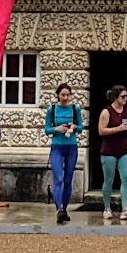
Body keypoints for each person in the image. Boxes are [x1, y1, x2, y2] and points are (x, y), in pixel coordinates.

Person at [97, 84, 127, 221]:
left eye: (126, 96)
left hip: (124, 149)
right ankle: (107, 207)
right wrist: (118, 129)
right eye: (123, 96)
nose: (125, 99)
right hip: (109, 150)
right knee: (108, 179)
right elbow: (101, 131)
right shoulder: (107, 112)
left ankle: (125, 208)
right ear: (116, 97)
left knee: (126, 178)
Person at [43, 83, 82, 225]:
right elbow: (47, 129)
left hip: (71, 146)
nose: (65, 98)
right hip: (57, 147)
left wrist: (74, 128)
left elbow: (81, 128)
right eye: (63, 95)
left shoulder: (75, 109)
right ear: (58, 95)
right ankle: (59, 209)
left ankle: (64, 209)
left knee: (68, 180)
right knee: (58, 179)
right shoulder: (52, 110)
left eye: (68, 95)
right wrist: (56, 129)